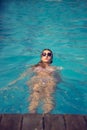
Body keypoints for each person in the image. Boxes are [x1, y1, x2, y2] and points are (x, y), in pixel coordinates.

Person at [7, 49, 63, 114]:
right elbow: (23, 75)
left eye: (49, 54)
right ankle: (33, 116)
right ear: (41, 57)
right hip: (37, 82)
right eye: (44, 54)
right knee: (34, 99)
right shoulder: (34, 67)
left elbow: (59, 79)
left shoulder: (55, 68)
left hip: (50, 83)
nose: (46, 56)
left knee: (49, 99)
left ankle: (47, 116)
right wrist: (14, 81)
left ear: (51, 58)